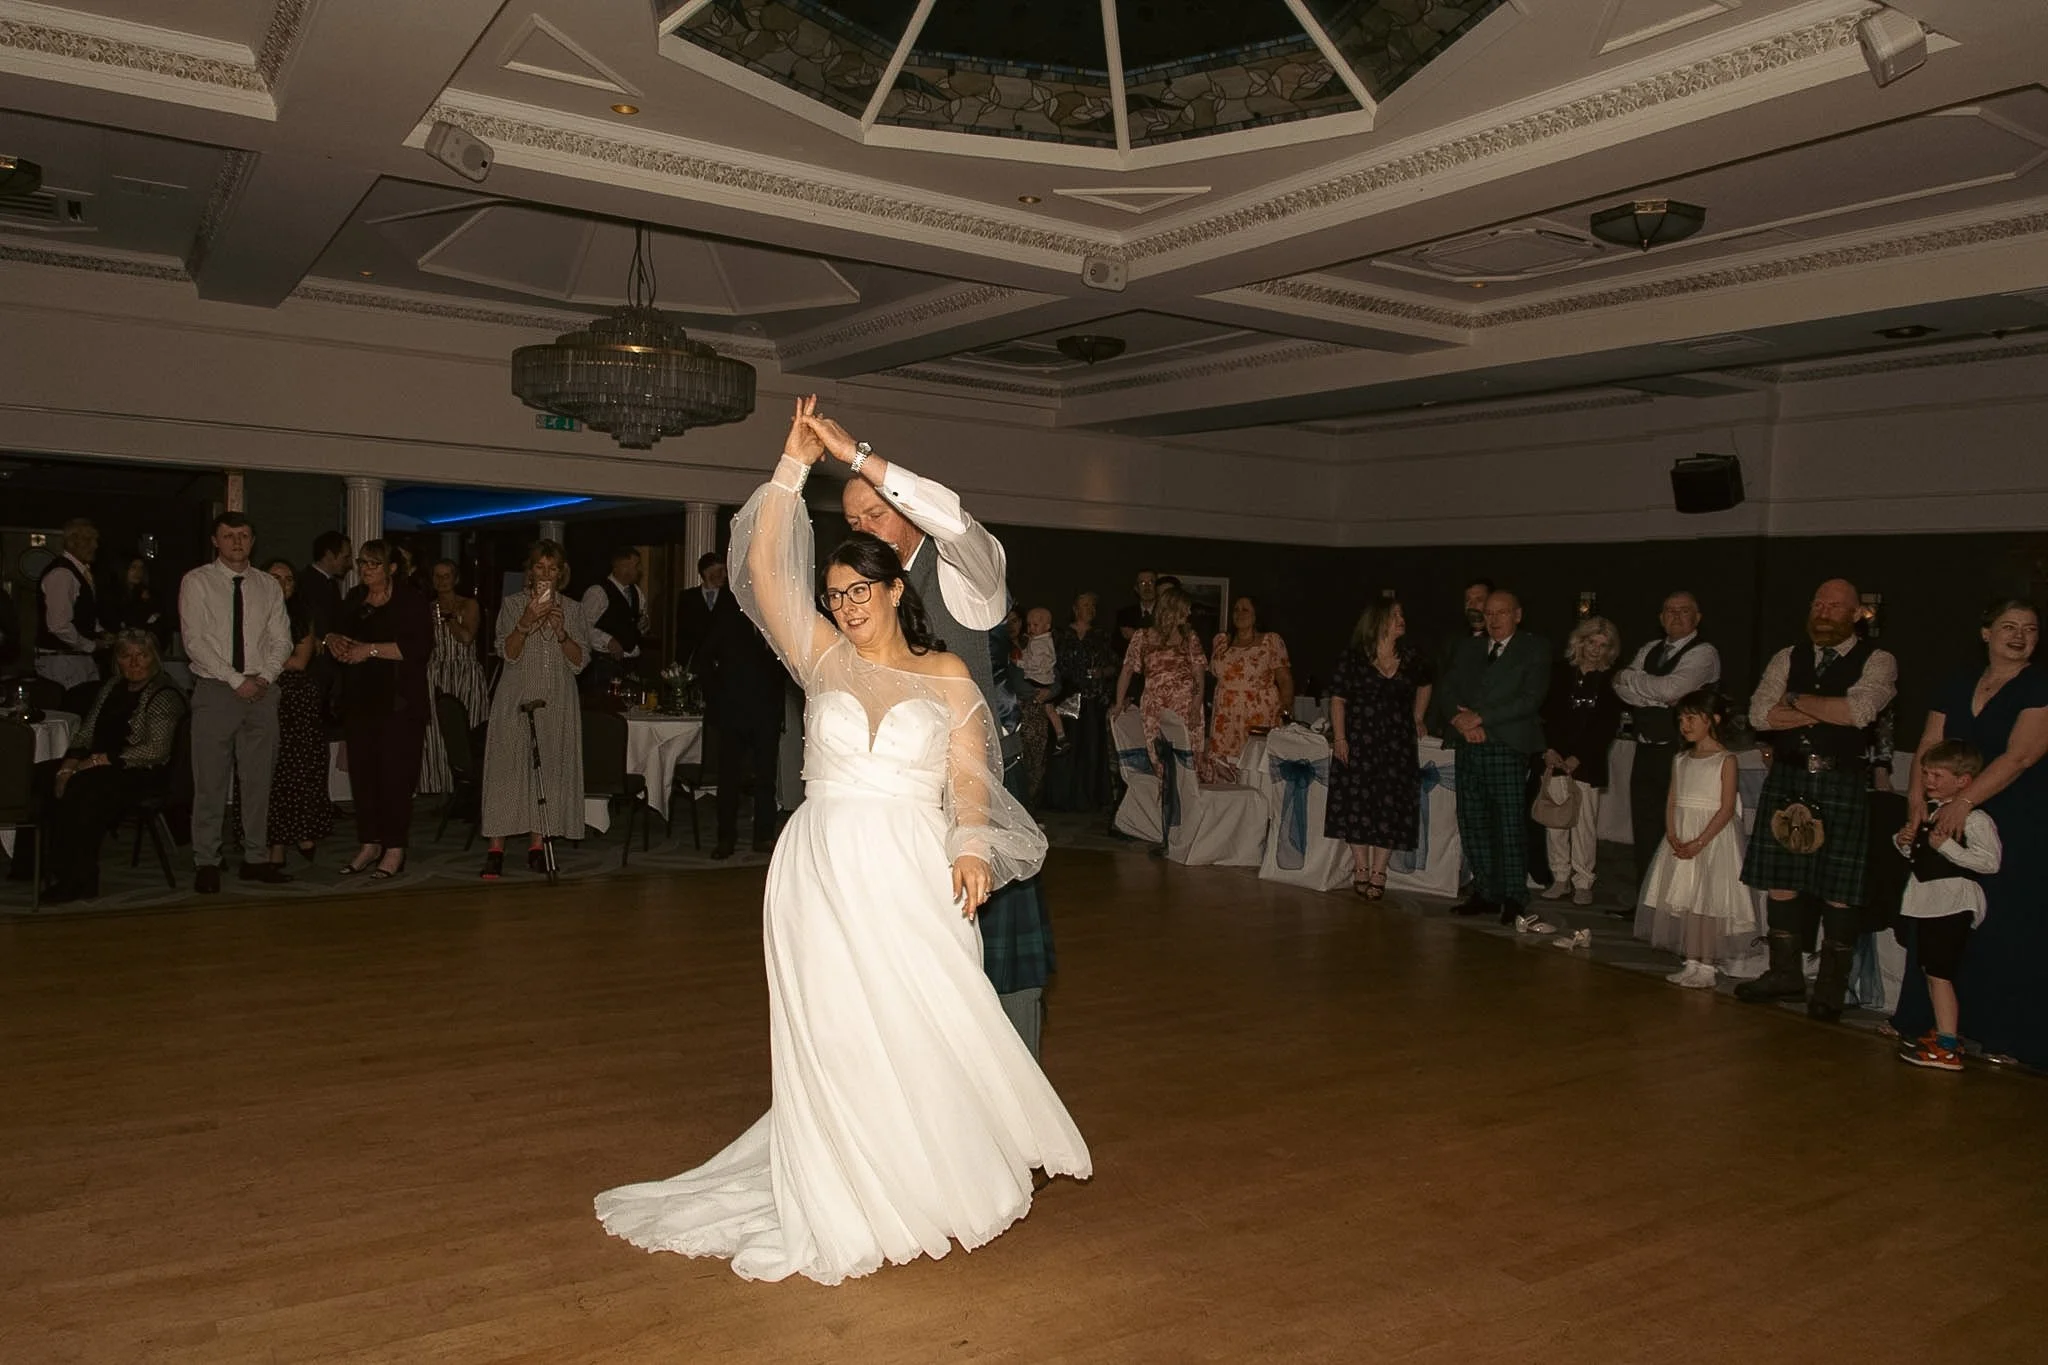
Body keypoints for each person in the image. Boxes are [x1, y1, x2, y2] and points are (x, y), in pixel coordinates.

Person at [594, 396, 1089, 1285]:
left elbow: (970, 776)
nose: (848, 605)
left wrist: (972, 846)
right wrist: (791, 466)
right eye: (835, 594)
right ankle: (840, 1184)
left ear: (896, 586)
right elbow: (762, 568)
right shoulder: (820, 656)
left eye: (861, 588)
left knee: (922, 1021)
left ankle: (924, 1176)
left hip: (911, 869)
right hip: (818, 869)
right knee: (834, 1032)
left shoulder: (947, 668)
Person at [830, 410, 1057, 1057]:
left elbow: (953, 520)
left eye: (875, 513)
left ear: (907, 507)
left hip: (985, 788)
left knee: (1000, 961)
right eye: (852, 522)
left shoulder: (967, 574)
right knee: (916, 955)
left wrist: (859, 457)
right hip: (908, 801)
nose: (862, 530)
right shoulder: (871, 595)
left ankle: (1012, 1090)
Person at [1888, 599, 2047, 1065]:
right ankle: (1931, 1023)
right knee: (1939, 914)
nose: (2019, 636)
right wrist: (1917, 800)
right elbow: (1928, 743)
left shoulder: (2039, 684)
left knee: (2009, 924)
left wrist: (1964, 802)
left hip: (2015, 814)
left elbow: (2021, 755)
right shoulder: (1958, 682)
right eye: (2009, 626)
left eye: (2030, 629)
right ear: (1986, 633)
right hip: (1949, 810)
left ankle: (2006, 1036)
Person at [1736, 578, 1899, 1021]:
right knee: (1781, 881)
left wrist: (1793, 701)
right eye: (1818, 604)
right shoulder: (1787, 656)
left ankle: (1830, 988)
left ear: (1856, 614)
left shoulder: (1879, 660)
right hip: (1788, 777)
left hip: (1840, 781)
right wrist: (1826, 710)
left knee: (1839, 891)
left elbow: (1860, 712)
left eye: (1835, 605)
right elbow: (1759, 714)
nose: (1824, 612)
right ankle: (1784, 974)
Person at [178, 512, 293, 893]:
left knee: (258, 780)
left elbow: (282, 639)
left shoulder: (267, 585)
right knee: (210, 781)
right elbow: (195, 641)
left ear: (253, 540)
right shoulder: (197, 581)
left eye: (243, 535)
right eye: (228, 536)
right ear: (216, 541)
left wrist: (265, 677)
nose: (237, 542)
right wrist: (235, 680)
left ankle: (255, 857)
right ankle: (207, 860)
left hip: (262, 690)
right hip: (216, 689)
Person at [37, 632, 186, 904]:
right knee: (41, 775)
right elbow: (86, 731)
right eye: (126, 656)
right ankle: (37, 865)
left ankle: (79, 878)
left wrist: (97, 761)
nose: (134, 663)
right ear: (117, 660)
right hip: (99, 764)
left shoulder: (165, 693)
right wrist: (68, 765)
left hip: (140, 770)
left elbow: (156, 750)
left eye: (142, 655)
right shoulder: (112, 687)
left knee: (84, 791)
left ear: (154, 658)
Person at [1435, 589, 1549, 924]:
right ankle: (1485, 891)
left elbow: (1530, 698)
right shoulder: (1468, 647)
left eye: (1501, 613)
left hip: (1506, 745)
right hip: (1468, 744)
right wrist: (1459, 720)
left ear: (1518, 615)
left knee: (1508, 823)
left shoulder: (1534, 648)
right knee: (1472, 820)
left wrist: (1480, 718)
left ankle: (1514, 895)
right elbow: (1446, 688)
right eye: (1488, 614)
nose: (1494, 619)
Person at [324, 541, 434, 880]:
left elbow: (418, 649)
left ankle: (395, 847)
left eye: (374, 563)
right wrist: (334, 641)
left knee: (395, 778)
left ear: (392, 568)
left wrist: (369, 650)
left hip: (399, 705)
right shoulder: (355, 598)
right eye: (362, 562)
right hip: (360, 700)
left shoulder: (410, 600)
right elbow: (336, 634)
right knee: (364, 777)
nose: (366, 569)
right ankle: (369, 843)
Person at [479, 541, 590, 878]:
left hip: (557, 697)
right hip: (516, 696)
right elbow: (508, 653)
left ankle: (537, 845)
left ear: (561, 573)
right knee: (507, 770)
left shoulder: (573, 609)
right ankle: (495, 848)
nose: (546, 574)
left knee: (550, 771)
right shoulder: (513, 605)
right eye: (540, 567)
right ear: (530, 571)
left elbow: (580, 662)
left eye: (552, 568)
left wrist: (561, 632)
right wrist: (526, 622)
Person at [1892, 740, 2003, 1071]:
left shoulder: (1975, 819)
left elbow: (1990, 862)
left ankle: (1948, 1044)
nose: (1929, 781)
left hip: (1952, 902)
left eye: (1937, 775)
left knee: (1940, 974)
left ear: (1963, 780)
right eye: (1926, 774)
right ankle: (1943, 1032)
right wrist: (1905, 842)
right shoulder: (1931, 811)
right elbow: (1921, 857)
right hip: (1930, 902)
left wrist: (1947, 848)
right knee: (1932, 972)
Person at [1630, 690, 1752, 985]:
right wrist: (1672, 834)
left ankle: (1707, 965)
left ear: (1714, 720)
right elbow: (1672, 800)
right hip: (1683, 834)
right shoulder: (1681, 758)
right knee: (1686, 897)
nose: (1685, 725)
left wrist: (1700, 841)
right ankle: (1692, 960)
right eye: (1681, 719)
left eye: (1692, 718)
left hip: (1712, 838)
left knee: (1708, 902)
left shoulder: (1725, 760)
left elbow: (1726, 808)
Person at [1612, 591, 1721, 890]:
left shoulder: (1704, 653)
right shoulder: (1649, 648)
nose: (1676, 616)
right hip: (1645, 748)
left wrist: (1635, 681)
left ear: (1697, 618)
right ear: (1661, 618)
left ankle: (1675, 900)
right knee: (1645, 826)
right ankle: (1646, 900)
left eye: (1684, 611)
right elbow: (1620, 688)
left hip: (1682, 752)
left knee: (1678, 826)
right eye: (1670, 611)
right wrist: (1658, 696)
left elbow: (1672, 689)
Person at [1326, 597, 1432, 899]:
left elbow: (1426, 683)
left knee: (1390, 803)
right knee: (1356, 803)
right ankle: (1360, 866)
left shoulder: (1411, 656)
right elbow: (1338, 699)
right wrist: (1340, 738)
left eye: (1402, 614)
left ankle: (1379, 870)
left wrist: (1418, 716)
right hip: (1359, 740)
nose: (1401, 619)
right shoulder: (1354, 657)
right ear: (1378, 620)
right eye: (1394, 615)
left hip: (1397, 743)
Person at [700, 561, 787, 860]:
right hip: (732, 710)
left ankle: (763, 835)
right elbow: (705, 657)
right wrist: (716, 698)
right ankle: (726, 838)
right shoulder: (728, 614)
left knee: (765, 777)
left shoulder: (775, 614)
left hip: (767, 710)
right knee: (729, 779)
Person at [1537, 616, 1626, 907]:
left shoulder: (1612, 681)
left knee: (1584, 825)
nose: (1596, 650)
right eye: (1591, 642)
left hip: (1587, 763)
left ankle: (1584, 881)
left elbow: (1606, 726)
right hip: (1554, 759)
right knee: (1555, 822)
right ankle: (1560, 878)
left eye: (1603, 645)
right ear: (1580, 642)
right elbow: (1544, 714)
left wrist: (1580, 756)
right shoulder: (1559, 672)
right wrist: (1548, 750)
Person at [260, 559, 332, 867]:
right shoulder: (252, 614)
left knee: (298, 770)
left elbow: (299, 661)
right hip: (262, 697)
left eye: (288, 579)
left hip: (296, 699)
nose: (282, 584)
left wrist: (261, 664)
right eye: (275, 578)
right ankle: (274, 842)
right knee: (267, 771)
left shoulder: (302, 615)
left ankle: (303, 832)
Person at [1115, 585, 1210, 779]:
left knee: (1187, 764)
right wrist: (1118, 703)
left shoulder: (1189, 637)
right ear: (1172, 609)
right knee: (1160, 761)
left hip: (1185, 707)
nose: (1189, 613)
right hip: (1155, 707)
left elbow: (1199, 675)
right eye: (1185, 608)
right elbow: (1127, 670)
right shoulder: (1142, 636)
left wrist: (1195, 706)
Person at [1038, 591, 1119, 813]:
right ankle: (1062, 798)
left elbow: (1115, 665)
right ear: (1075, 608)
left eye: (1092, 606)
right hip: (1065, 699)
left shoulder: (1101, 636)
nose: (1089, 610)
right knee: (1066, 746)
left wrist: (1102, 672)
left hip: (1092, 699)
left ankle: (1089, 798)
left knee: (1091, 748)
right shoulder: (1060, 635)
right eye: (1085, 605)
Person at [420, 559, 487, 793]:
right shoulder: (426, 609)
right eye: (437, 576)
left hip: (465, 675)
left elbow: (467, 637)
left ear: (456, 579)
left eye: (446, 576)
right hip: (436, 674)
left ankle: (471, 790)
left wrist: (448, 618)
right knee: (435, 734)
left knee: (469, 731)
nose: (441, 581)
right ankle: (439, 789)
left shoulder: (469, 605)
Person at [1208, 596, 1293, 778]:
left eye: (1245, 609)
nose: (1239, 614)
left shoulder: (1270, 641)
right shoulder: (1221, 641)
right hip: (1226, 715)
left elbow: (1285, 679)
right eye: (1236, 610)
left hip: (1259, 714)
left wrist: (1286, 708)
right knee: (1224, 771)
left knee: (1253, 769)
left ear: (1256, 615)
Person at [35, 518, 103, 690]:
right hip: (62, 660)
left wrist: (101, 633)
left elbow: (83, 612)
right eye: (88, 540)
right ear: (72, 542)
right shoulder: (62, 574)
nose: (95, 546)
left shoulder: (80, 573)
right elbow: (59, 625)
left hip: (76, 658)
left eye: (95, 540)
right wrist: (90, 645)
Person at [582, 546, 650, 697]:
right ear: (621, 566)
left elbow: (639, 621)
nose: (639, 570)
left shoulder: (637, 592)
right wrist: (608, 640)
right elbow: (583, 626)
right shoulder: (598, 592)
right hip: (605, 665)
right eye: (636, 565)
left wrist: (644, 625)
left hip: (631, 665)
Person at [1016, 606, 1065, 802]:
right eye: (1029, 625)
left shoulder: (1041, 643)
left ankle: (1031, 800)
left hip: (1036, 703)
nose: (1031, 628)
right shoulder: (1027, 642)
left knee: (1036, 757)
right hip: (1017, 709)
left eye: (1034, 624)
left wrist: (1049, 691)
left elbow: (1053, 675)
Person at [674, 551, 729, 674]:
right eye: (720, 570)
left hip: (724, 664)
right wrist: (680, 662)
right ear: (707, 572)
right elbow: (683, 633)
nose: (724, 575)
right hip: (697, 665)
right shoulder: (688, 597)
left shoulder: (731, 598)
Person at [114, 557, 172, 654]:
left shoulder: (150, 596)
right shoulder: (113, 596)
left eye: (141, 568)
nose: (138, 572)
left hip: (146, 650)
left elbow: (160, 626)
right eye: (134, 567)